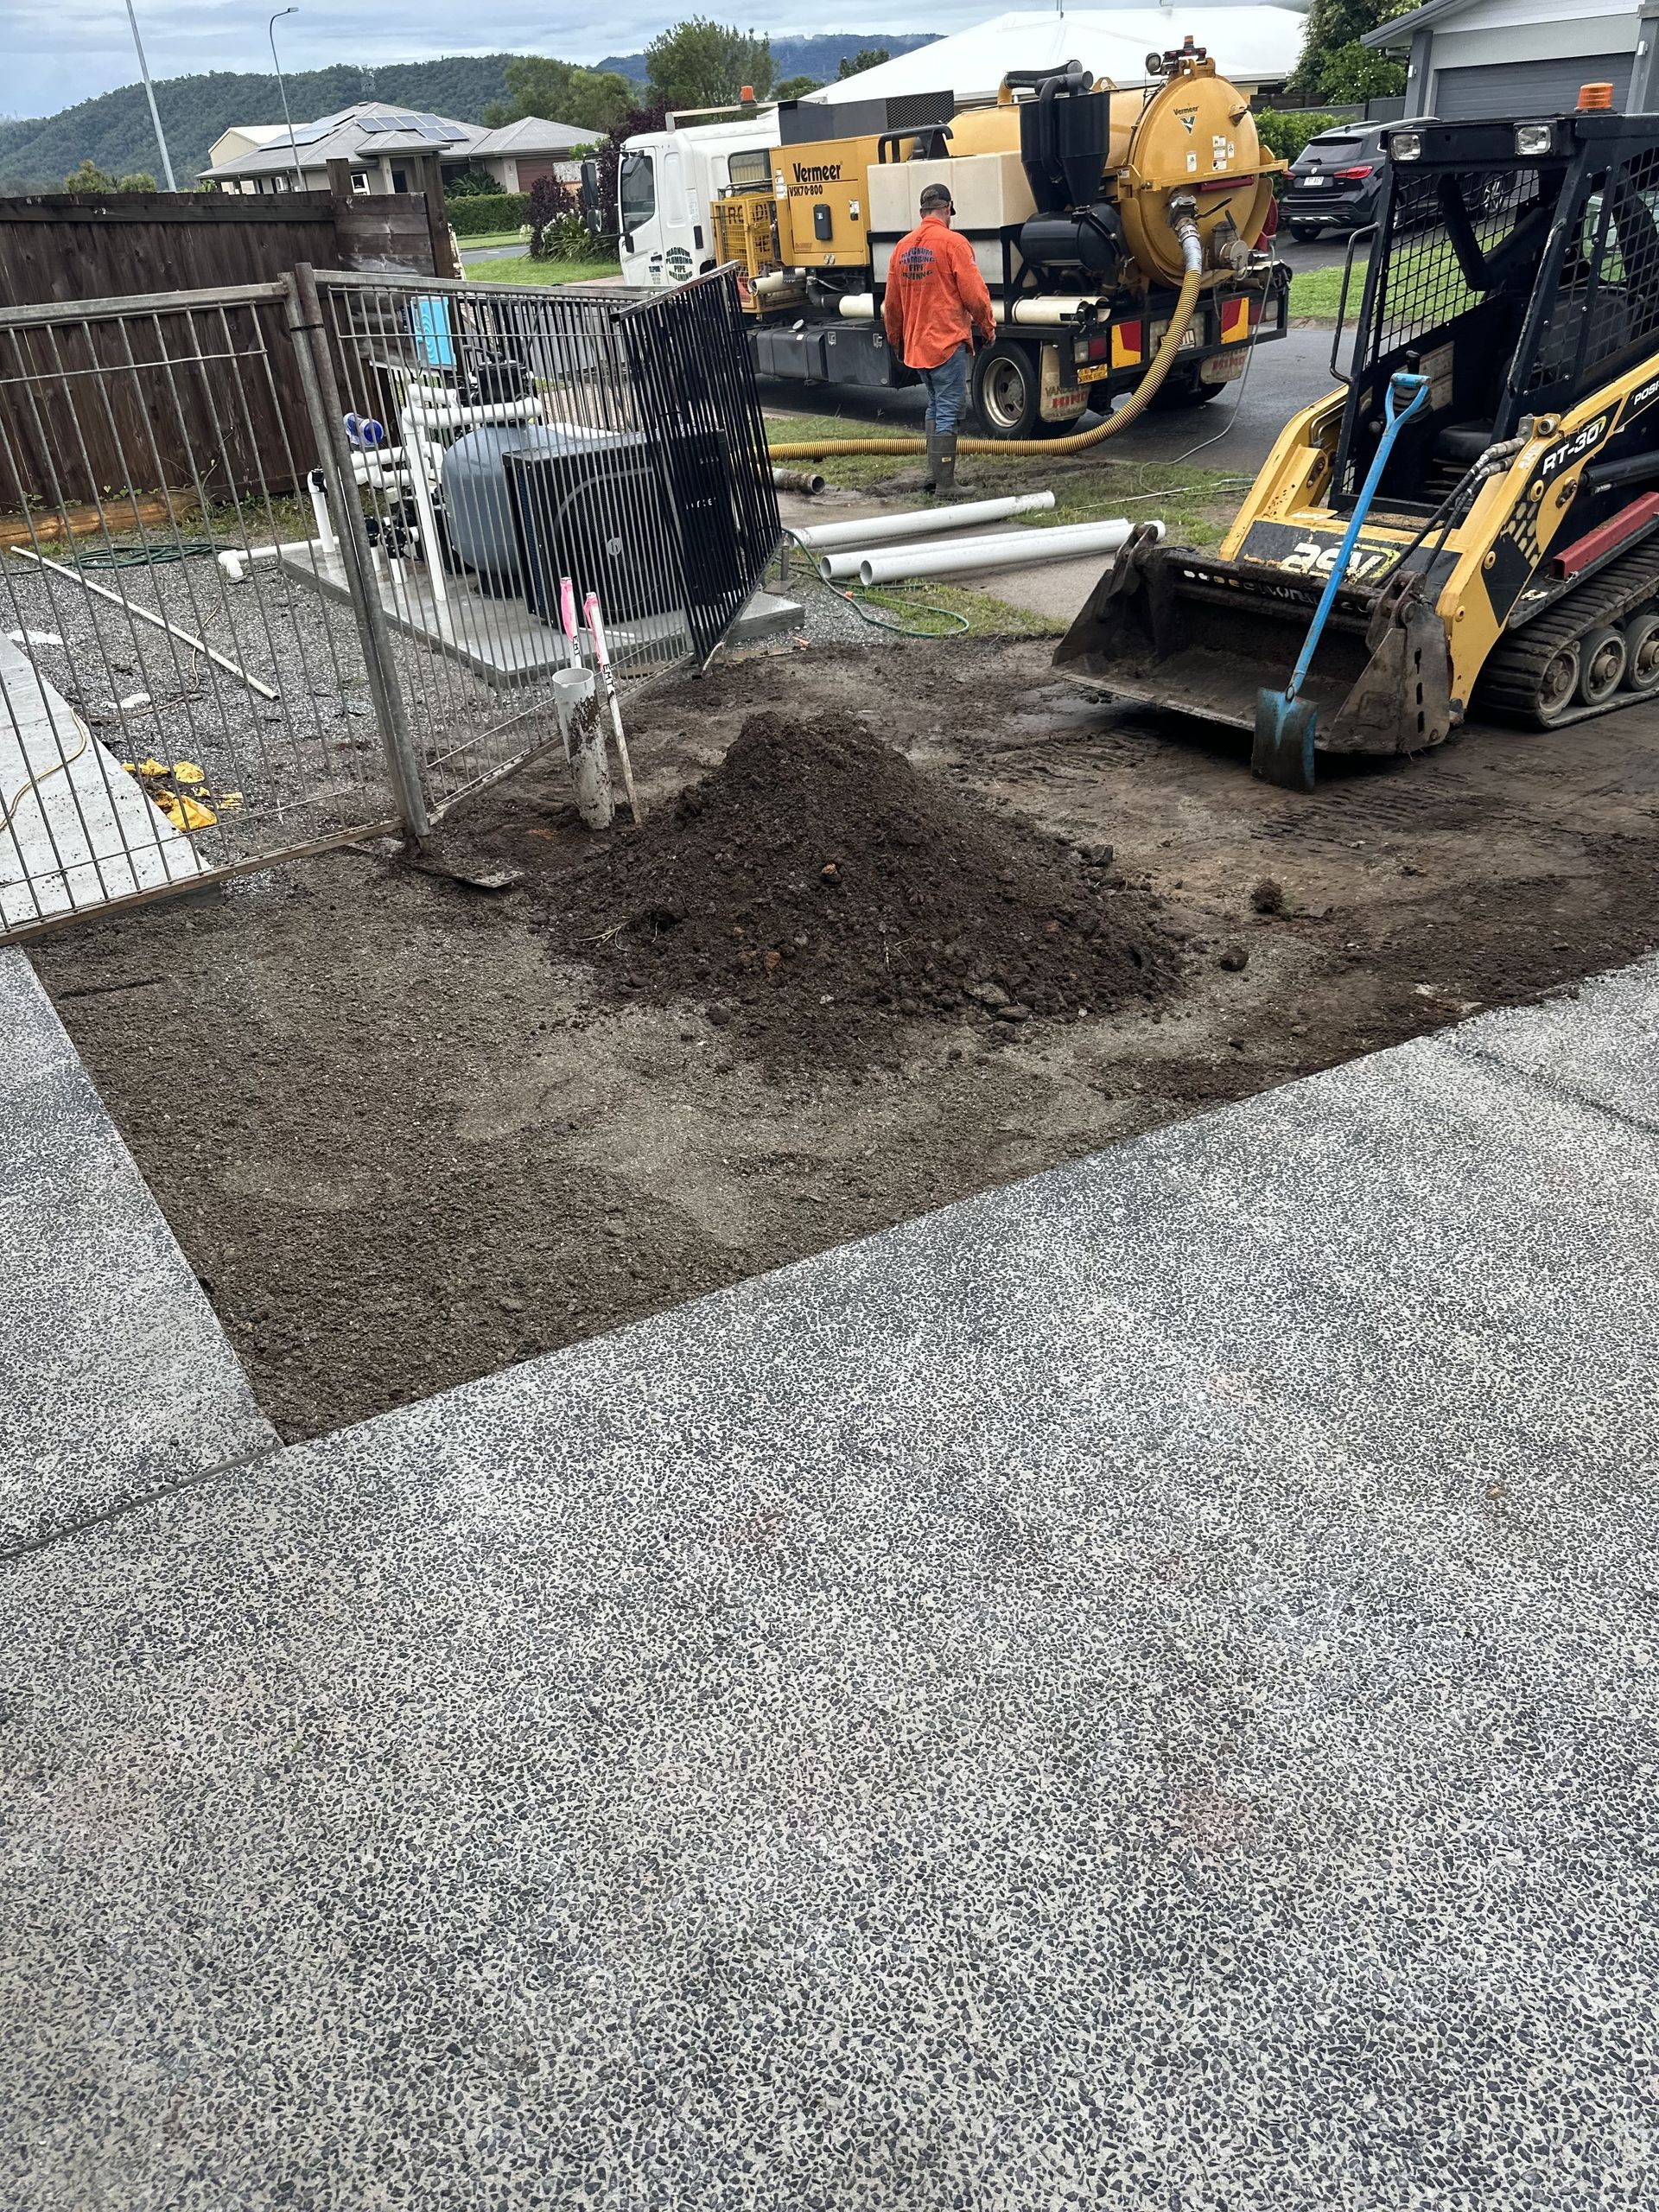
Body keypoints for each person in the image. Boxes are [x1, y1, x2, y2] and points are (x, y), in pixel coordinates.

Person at [881, 182, 995, 493]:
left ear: (922, 212)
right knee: (947, 408)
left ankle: (936, 475)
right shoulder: (953, 244)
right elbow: (975, 294)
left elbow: (891, 303)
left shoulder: (902, 248)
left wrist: (895, 338)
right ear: (947, 210)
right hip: (946, 342)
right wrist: (988, 327)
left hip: (917, 343)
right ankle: (946, 484)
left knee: (933, 406)